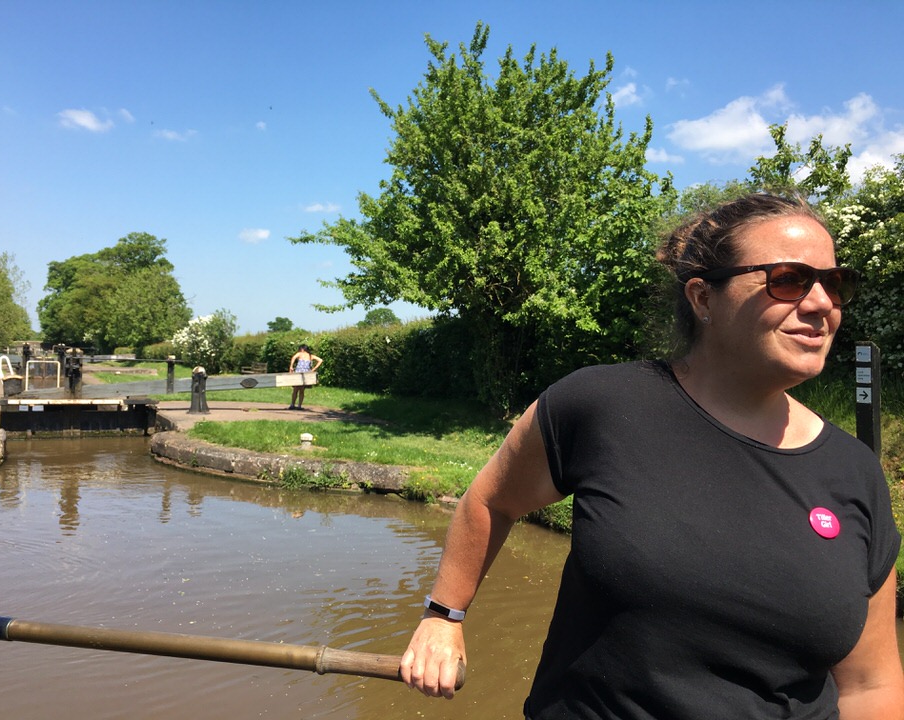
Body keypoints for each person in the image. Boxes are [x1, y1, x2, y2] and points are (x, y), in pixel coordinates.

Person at [399, 193, 904, 719]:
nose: (822, 302)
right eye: (789, 279)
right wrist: (443, 616)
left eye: (835, 283)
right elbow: (490, 501)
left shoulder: (855, 471)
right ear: (703, 299)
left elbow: (872, 686)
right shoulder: (601, 406)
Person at [288, 344, 322, 410]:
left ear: (302, 349)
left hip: (298, 373)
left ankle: (292, 404)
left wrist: (291, 367)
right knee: (302, 390)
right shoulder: (310, 356)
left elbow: (293, 357)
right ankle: (299, 406)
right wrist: (313, 369)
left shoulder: (300, 354)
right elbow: (320, 360)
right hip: (306, 374)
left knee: (295, 389)